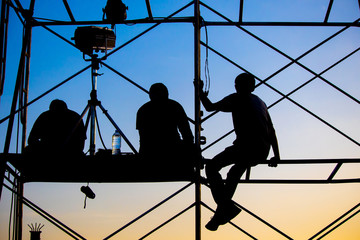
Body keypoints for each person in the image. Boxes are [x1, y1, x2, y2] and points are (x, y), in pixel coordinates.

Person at [199, 73, 280, 231]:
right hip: (261, 150)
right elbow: (272, 130)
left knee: (212, 167)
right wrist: (276, 155)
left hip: (245, 147)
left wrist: (200, 92)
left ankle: (225, 207)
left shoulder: (236, 98)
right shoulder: (261, 102)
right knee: (234, 172)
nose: (236, 86)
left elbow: (209, 107)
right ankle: (220, 214)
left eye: (237, 84)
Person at [136, 83, 194, 163]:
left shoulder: (143, 110)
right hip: (174, 149)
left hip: (150, 152)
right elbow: (187, 134)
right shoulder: (175, 106)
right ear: (167, 94)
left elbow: (143, 139)